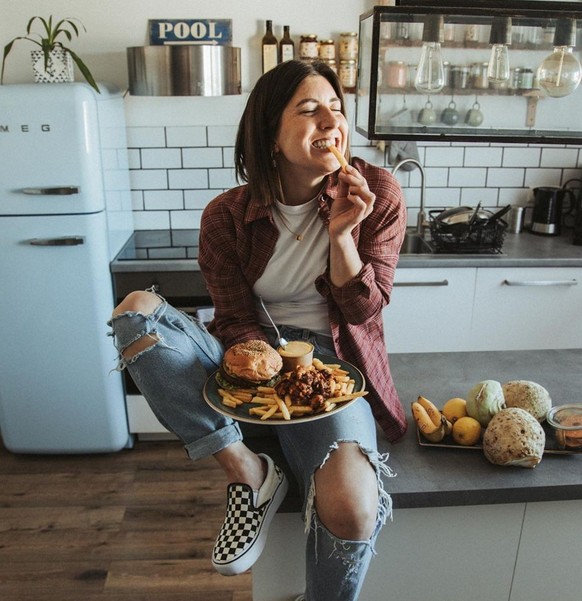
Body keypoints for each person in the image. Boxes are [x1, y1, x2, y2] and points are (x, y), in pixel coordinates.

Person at [108, 59, 407, 601]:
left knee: (355, 508)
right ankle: (248, 471)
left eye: (336, 110)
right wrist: (263, 367)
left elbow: (365, 312)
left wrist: (343, 237)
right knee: (134, 313)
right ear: (270, 131)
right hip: (252, 350)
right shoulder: (225, 215)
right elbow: (233, 317)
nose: (330, 123)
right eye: (309, 110)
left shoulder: (377, 192)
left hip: (333, 365)